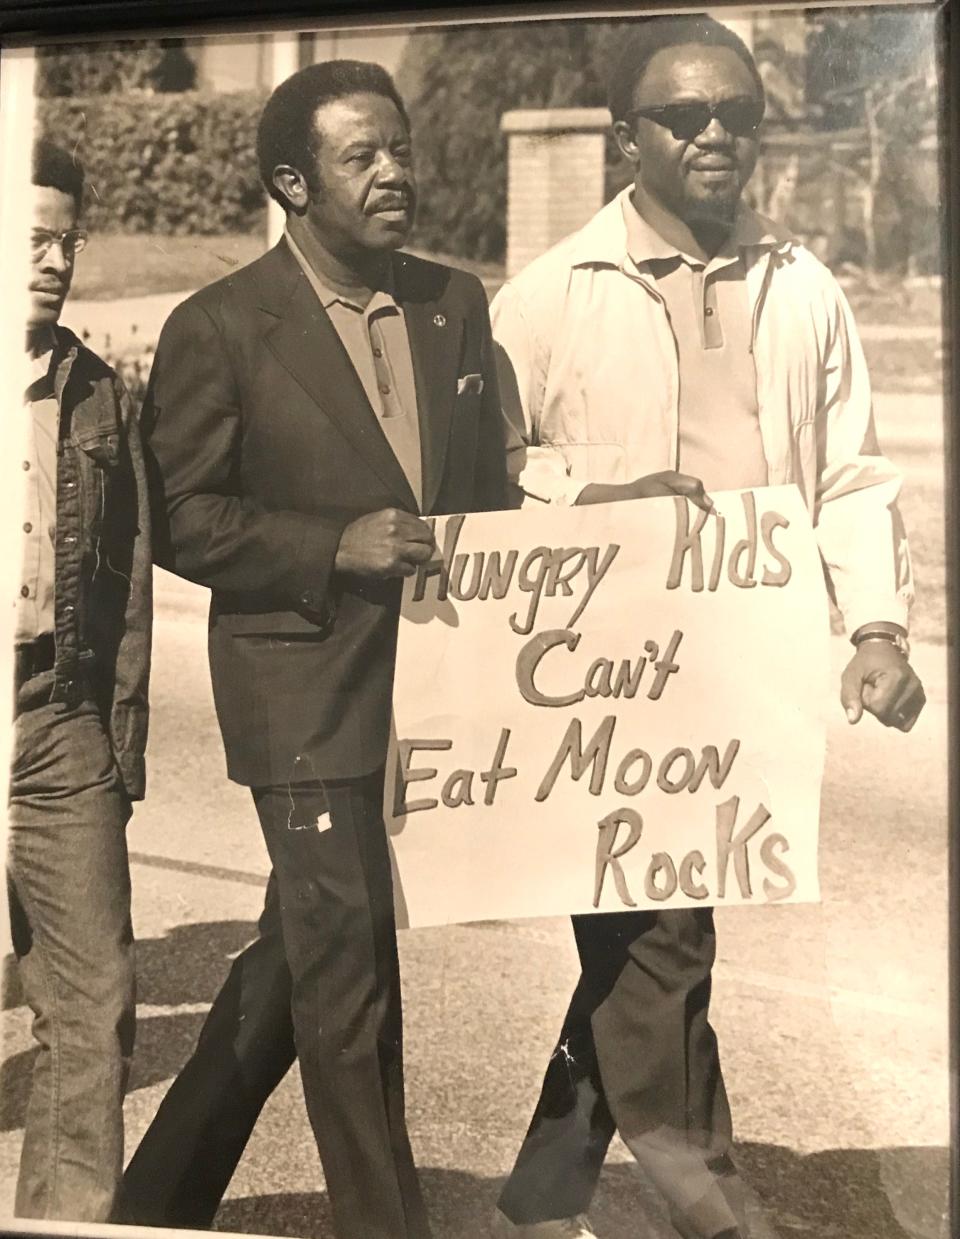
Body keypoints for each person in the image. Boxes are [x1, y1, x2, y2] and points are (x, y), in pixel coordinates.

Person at [489, 15, 924, 1239]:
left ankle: (540, 1197)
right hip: (608, 683)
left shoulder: (805, 289)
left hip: (753, 674)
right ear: (630, 136)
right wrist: (594, 499)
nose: (717, 134)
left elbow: (852, 474)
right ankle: (715, 1204)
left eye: (739, 114)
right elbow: (490, 471)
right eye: (685, 117)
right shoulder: (548, 297)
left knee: (655, 936)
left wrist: (876, 629)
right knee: (662, 939)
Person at [119, 60, 506, 1239]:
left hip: (434, 698)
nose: (395, 172)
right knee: (351, 992)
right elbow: (181, 516)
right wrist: (330, 544)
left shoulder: (455, 305)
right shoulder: (222, 325)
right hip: (301, 694)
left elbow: (488, 496)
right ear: (293, 182)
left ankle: (147, 1206)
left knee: (300, 961)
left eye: (400, 147)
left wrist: (616, 513)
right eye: (361, 156)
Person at [8, 139, 152, 1222]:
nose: (53, 260)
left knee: (93, 1003)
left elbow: (131, 572)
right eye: (31, 236)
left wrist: (118, 740)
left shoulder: (95, 389)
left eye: (67, 239)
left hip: (56, 716)